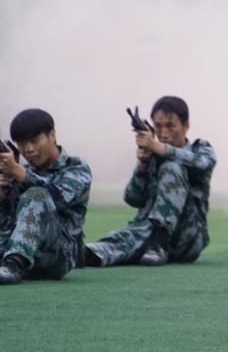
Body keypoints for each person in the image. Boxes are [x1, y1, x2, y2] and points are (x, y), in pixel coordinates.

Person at [86, 96, 216, 267]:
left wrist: (157, 147)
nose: (163, 133)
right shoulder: (153, 156)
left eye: (170, 126)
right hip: (148, 233)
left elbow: (202, 164)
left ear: (186, 126)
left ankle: (159, 243)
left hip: (187, 240)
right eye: (158, 126)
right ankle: (86, 255)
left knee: (172, 167)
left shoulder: (201, 149)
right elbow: (133, 198)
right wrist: (143, 164)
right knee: (128, 236)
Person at [0, 109, 91, 284]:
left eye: (34, 141)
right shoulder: (22, 171)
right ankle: (11, 263)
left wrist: (19, 172)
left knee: (37, 195)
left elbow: (57, 198)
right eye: (22, 143)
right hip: (20, 251)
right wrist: (3, 195)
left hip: (57, 257)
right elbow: (8, 223)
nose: (28, 149)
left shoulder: (77, 168)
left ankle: (13, 265)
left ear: (52, 135)